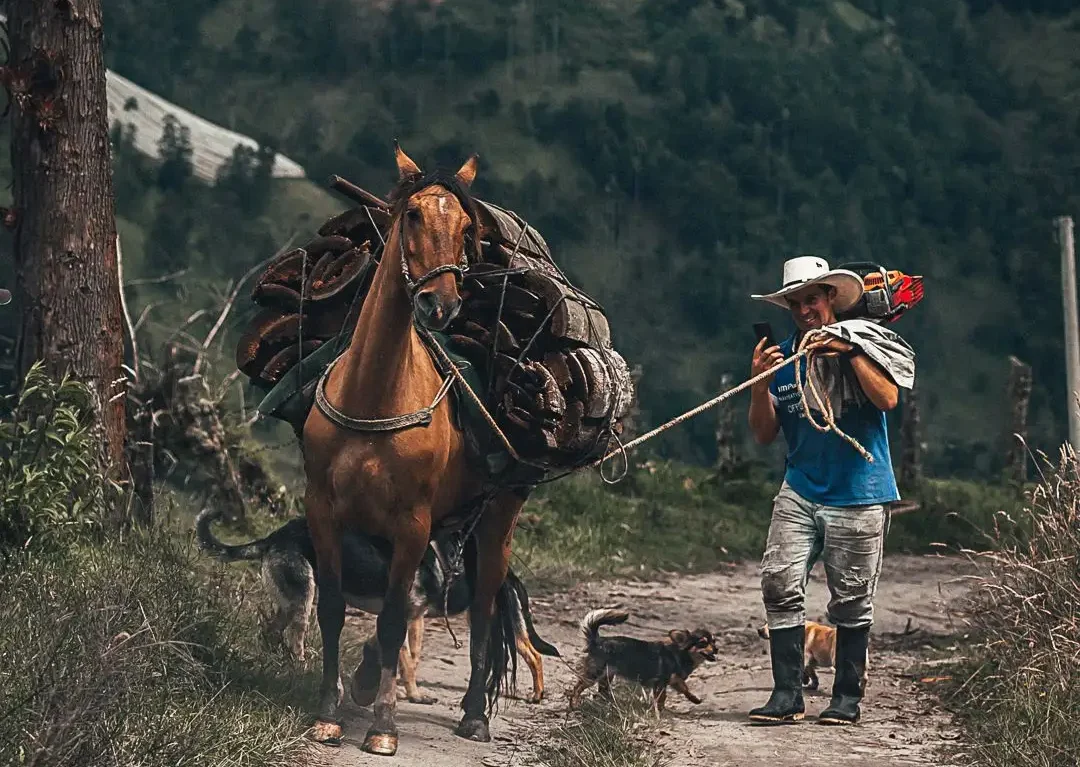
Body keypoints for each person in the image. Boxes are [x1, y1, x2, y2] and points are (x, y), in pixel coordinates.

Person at [745, 255, 915, 726]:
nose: (805, 309)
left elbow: (888, 398)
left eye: (812, 299)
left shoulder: (861, 343)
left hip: (858, 492)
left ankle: (846, 699)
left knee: (851, 597)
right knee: (778, 580)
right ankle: (786, 694)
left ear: (830, 300)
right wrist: (759, 384)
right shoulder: (783, 358)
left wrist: (851, 351)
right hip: (799, 488)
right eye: (796, 302)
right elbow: (763, 433)